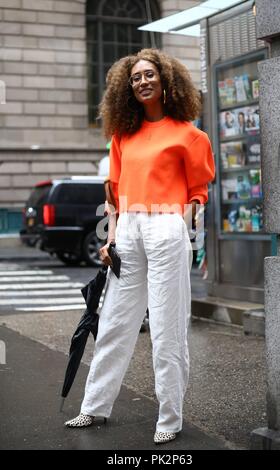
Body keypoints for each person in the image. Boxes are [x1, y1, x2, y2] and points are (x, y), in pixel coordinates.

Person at [64, 48, 215, 444]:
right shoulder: (122, 136)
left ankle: (170, 418)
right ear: (126, 88)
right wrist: (110, 238)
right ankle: (93, 407)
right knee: (114, 323)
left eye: (149, 74)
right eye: (135, 78)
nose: (142, 81)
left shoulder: (189, 135)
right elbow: (113, 194)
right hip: (128, 228)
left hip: (167, 225)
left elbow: (199, 192)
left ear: (166, 80)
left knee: (167, 327)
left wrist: (182, 227)